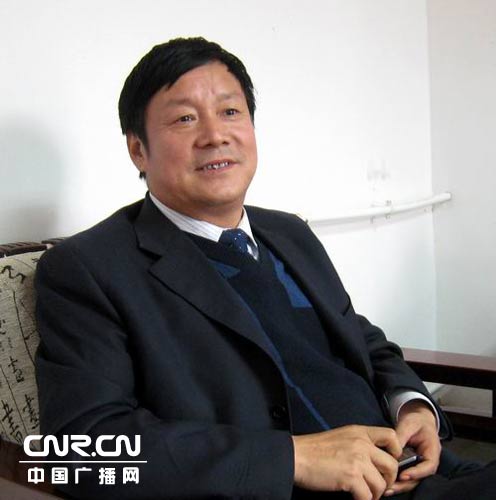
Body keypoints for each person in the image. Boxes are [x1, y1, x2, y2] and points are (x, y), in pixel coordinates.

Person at [35, 37, 495, 500]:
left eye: (230, 112)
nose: (215, 135)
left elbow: (361, 339)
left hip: (418, 469)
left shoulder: (289, 232)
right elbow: (82, 450)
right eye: (185, 118)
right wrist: (294, 459)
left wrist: (412, 405)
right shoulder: (88, 269)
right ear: (138, 149)